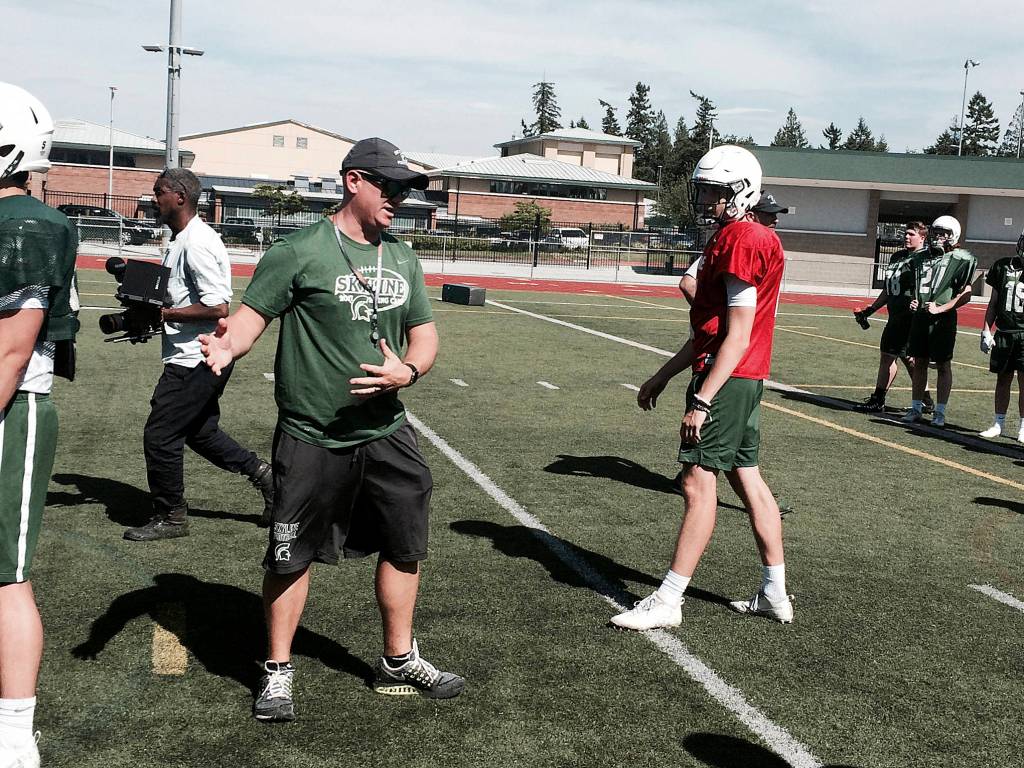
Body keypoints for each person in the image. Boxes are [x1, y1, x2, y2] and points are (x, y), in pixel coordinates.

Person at [198, 137, 464, 722]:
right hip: (312, 434)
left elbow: (425, 333)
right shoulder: (298, 251)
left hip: (386, 429)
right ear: (353, 181)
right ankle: (277, 671)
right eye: (390, 187)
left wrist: (409, 370)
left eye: (406, 190)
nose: (400, 199)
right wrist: (226, 346)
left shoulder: (402, 257)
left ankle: (398, 657)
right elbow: (249, 320)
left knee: (404, 542)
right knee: (291, 556)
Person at [612, 145, 792, 631]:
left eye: (715, 191)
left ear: (741, 191)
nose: (707, 199)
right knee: (745, 476)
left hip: (729, 377)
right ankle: (775, 591)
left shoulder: (744, 239)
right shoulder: (736, 235)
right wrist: (664, 375)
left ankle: (669, 600)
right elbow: (711, 331)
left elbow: (736, 335)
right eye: (705, 190)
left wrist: (702, 398)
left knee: (696, 481)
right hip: (738, 374)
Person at [123, 168, 274, 541]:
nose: (153, 198)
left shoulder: (197, 242)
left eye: (158, 192)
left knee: (160, 435)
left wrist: (165, 314)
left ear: (180, 196)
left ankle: (171, 516)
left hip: (200, 357)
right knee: (200, 432)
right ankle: (267, 478)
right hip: (191, 354)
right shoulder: (181, 239)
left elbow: (218, 307)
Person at [0, 83, 79, 768]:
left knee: (8, 576)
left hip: (10, 407)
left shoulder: (25, 223)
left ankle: (14, 733)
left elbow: (10, 348)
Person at [900, 215, 977, 427]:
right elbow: (918, 286)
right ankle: (916, 407)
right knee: (919, 362)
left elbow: (966, 293)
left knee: (943, 364)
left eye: (944, 233)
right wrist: (914, 301)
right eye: (936, 232)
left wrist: (941, 308)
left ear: (954, 235)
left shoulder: (962, 259)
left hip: (942, 320)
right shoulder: (921, 257)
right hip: (921, 318)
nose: (939, 236)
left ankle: (940, 412)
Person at [852, 222, 933, 413]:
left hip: (911, 317)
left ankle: (879, 399)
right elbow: (888, 289)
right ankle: (926, 401)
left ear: (922, 238)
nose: (906, 237)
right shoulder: (897, 257)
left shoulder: (924, 259)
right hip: (895, 315)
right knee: (902, 358)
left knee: (895, 357)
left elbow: (930, 288)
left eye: (911, 234)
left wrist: (921, 304)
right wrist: (871, 310)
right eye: (906, 233)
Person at [978, 233, 1024, 442]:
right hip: (1005, 333)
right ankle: (998, 422)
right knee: (1002, 380)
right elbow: (994, 302)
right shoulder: (1002, 266)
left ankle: (1023, 426)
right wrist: (986, 329)